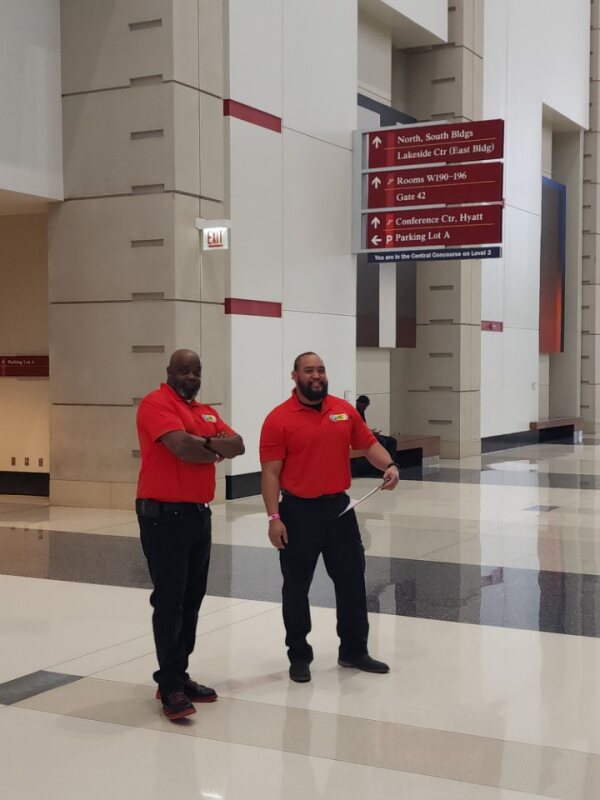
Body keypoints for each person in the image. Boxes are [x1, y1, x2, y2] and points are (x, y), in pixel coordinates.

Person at [259, 352, 400, 683]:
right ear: (295, 376)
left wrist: (390, 465)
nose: (317, 375)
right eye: (309, 370)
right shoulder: (278, 419)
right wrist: (273, 517)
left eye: (321, 370)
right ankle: (299, 656)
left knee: (352, 581)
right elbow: (270, 473)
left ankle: (354, 650)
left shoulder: (343, 410)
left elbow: (368, 445)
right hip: (298, 512)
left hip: (339, 510)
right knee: (297, 587)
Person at [136, 349, 245, 720]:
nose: (192, 377)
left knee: (191, 599)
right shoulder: (156, 404)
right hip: (163, 517)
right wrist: (213, 446)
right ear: (169, 372)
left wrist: (204, 444)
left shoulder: (206, 411)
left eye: (197, 371)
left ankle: (179, 674)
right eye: (184, 370)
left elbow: (239, 444)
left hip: (199, 515)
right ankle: (168, 685)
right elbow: (181, 447)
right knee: (170, 600)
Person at [356, 394, 398, 463]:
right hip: (361, 437)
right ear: (358, 403)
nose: (365, 408)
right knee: (381, 441)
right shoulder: (355, 413)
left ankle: (390, 463)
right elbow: (357, 429)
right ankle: (380, 463)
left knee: (392, 441)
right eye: (364, 406)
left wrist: (370, 431)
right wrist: (370, 432)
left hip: (366, 434)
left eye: (366, 407)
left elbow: (363, 427)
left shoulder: (362, 412)